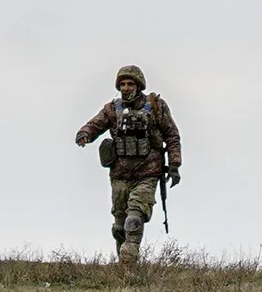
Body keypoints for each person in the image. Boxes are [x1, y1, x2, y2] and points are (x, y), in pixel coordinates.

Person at [74, 65, 183, 264]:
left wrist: (175, 165)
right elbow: (96, 124)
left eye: (130, 84)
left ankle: (129, 263)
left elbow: (172, 136)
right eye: (122, 84)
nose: (125, 88)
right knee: (119, 227)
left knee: (134, 219)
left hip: (147, 173)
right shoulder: (112, 109)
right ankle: (123, 271)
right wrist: (84, 134)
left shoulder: (155, 106)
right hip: (119, 175)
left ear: (139, 86)